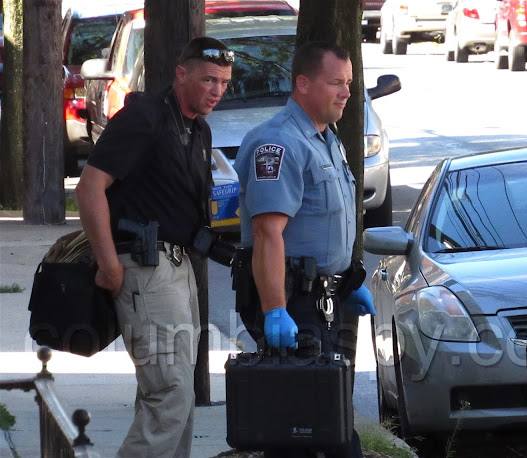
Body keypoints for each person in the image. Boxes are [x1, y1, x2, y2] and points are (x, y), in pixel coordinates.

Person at [75, 37, 233, 457]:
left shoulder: (198, 129)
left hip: (180, 267)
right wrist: (110, 265)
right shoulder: (145, 115)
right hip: (144, 266)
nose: (217, 90)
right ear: (181, 73)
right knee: (170, 392)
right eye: (209, 80)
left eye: (224, 82)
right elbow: (89, 188)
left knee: (175, 395)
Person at [233, 41, 376, 458]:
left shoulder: (326, 139)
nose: (346, 93)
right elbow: (267, 233)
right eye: (335, 83)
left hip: (324, 301)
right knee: (310, 429)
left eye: (348, 83)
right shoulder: (278, 143)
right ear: (303, 83)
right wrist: (275, 309)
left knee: (316, 424)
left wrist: (345, 280)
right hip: (293, 305)